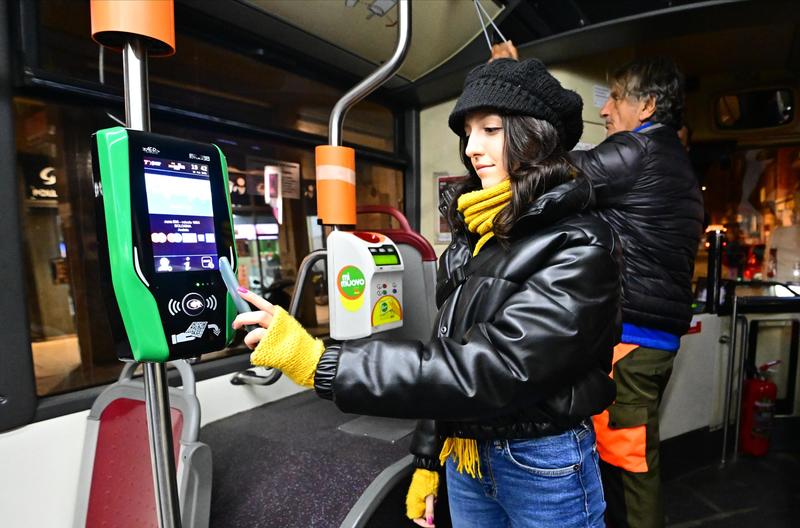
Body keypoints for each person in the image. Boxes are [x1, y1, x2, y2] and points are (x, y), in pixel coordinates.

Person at [233, 58, 621, 528]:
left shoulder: (578, 242)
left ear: (535, 136)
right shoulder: (475, 235)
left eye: (491, 129)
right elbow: (448, 349)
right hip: (466, 456)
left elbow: (494, 367)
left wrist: (320, 362)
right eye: (468, 133)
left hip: (540, 463)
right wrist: (427, 459)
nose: (473, 148)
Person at [568, 58, 704, 528]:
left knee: (629, 468)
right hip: (651, 340)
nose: (606, 111)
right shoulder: (675, 162)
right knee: (632, 456)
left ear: (646, 105)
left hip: (631, 340)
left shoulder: (637, 151)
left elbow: (560, 170)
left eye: (616, 98)